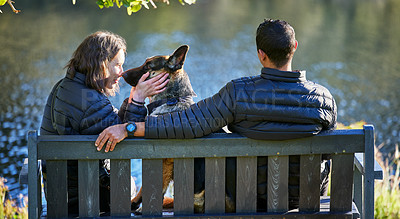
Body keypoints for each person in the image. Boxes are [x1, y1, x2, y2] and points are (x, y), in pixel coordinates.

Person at [96, 19, 337, 211]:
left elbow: (188, 124)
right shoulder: (324, 99)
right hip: (307, 200)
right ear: (294, 47)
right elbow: (329, 152)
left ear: (260, 54)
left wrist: (129, 128)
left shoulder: (238, 93)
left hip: (250, 199)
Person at [40, 31, 168, 215]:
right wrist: (139, 99)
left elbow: (114, 124)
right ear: (101, 63)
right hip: (87, 199)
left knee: (131, 184)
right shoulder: (89, 100)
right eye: (117, 64)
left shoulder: (67, 87)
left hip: (61, 195)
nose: (121, 72)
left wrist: (132, 98)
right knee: (131, 185)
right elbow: (129, 142)